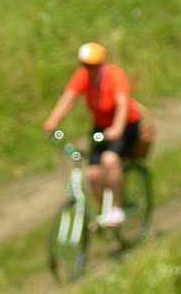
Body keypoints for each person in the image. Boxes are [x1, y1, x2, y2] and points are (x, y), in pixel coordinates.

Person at [42, 42, 141, 227]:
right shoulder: (82, 76)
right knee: (93, 174)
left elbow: (122, 104)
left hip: (126, 124)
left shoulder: (114, 75)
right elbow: (68, 99)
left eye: (93, 65)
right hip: (101, 126)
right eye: (86, 65)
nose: (89, 69)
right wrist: (52, 122)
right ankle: (105, 211)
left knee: (110, 160)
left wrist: (117, 129)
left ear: (101, 63)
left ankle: (118, 207)